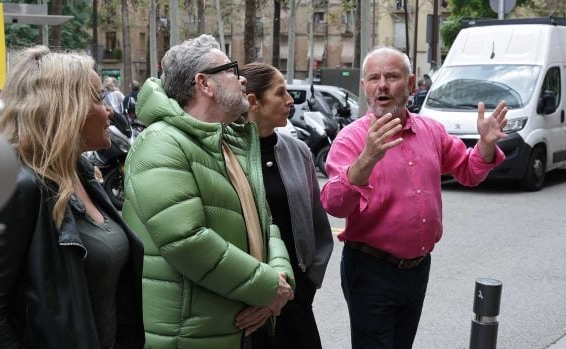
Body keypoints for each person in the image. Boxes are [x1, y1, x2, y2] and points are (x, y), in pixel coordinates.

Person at [320, 46, 508, 349]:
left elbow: (469, 171)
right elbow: (334, 203)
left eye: (392, 76)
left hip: (417, 268)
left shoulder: (431, 131)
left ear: (410, 85)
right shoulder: (352, 139)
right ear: (364, 87)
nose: (382, 85)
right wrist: (367, 158)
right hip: (370, 270)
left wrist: (485, 146)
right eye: (373, 78)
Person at [0, 46, 145, 349]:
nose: (110, 110)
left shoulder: (81, 172)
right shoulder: (19, 185)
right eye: (98, 98)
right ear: (65, 109)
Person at [122, 34, 295, 349]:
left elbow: (265, 221)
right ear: (204, 84)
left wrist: (280, 284)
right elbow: (187, 240)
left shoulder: (227, 142)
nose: (242, 79)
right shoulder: (162, 143)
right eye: (230, 69)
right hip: (189, 337)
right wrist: (269, 287)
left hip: (232, 328)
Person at [241, 62, 333, 349]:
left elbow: (318, 224)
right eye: (281, 93)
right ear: (253, 102)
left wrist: (304, 287)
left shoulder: (299, 151)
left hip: (295, 299)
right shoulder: (225, 154)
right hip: (246, 306)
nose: (290, 100)